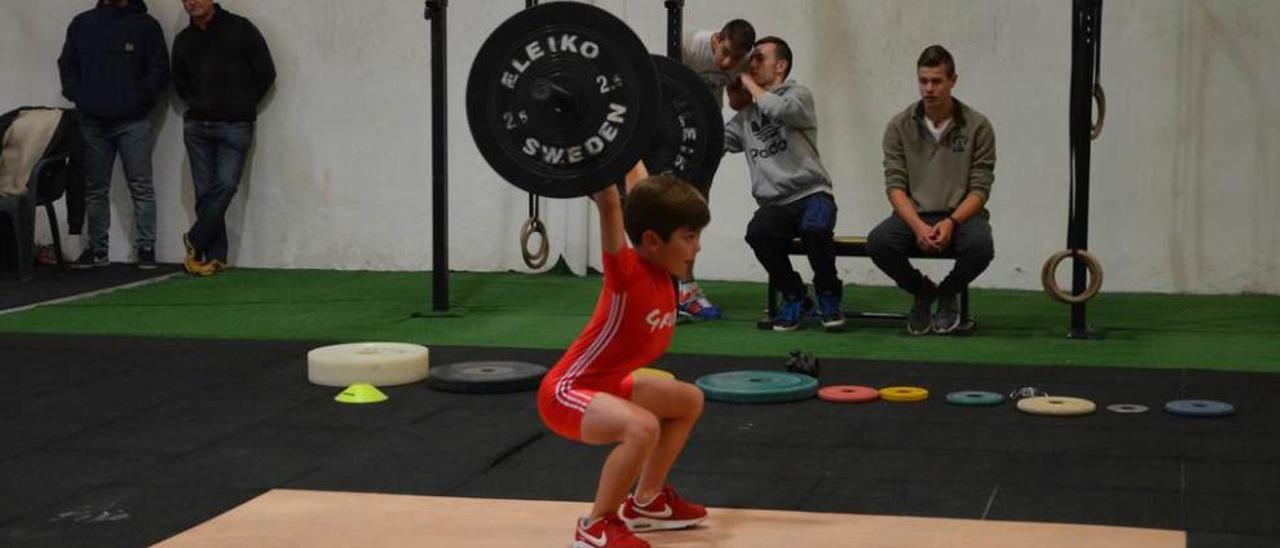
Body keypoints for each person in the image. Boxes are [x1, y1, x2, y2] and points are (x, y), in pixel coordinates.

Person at [538, 163, 710, 548]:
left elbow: (641, 186)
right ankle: (597, 524)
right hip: (566, 392)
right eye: (689, 236)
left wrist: (626, 146)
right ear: (652, 240)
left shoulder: (665, 269)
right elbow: (612, 205)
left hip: (608, 386)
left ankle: (647, 502)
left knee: (687, 400)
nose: (697, 247)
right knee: (642, 427)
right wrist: (592, 149)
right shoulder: (627, 272)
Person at [866, 45, 996, 335]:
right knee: (879, 242)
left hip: (960, 215)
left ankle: (948, 293)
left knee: (981, 246)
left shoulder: (978, 127)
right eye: (923, 81)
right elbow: (895, 185)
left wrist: (951, 222)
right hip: (914, 214)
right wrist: (917, 226)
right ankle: (923, 291)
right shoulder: (899, 126)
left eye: (937, 81)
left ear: (953, 81)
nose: (929, 88)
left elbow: (980, 188)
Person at [725, 36, 845, 332]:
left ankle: (828, 294)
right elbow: (714, 140)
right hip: (775, 204)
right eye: (750, 60)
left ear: (780, 66)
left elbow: (780, 111)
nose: (751, 65)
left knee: (815, 229)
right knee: (758, 233)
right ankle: (794, 293)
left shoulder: (799, 95)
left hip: (812, 193)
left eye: (759, 59)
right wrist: (721, 90)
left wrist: (748, 85)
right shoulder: (745, 117)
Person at [57, 0, 169, 270]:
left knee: (141, 186)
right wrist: (79, 96)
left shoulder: (146, 26)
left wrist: (140, 100)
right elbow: (67, 65)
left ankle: (145, 248)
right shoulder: (82, 24)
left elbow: (159, 69)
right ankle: (97, 249)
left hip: (133, 121)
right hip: (92, 121)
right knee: (95, 189)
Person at [172, 0, 276, 276]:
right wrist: (195, 102)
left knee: (227, 186)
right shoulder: (183, 40)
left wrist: (242, 104)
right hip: (197, 125)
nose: (191, 2)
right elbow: (178, 80)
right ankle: (215, 256)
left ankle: (194, 238)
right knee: (205, 195)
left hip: (235, 124)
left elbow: (266, 72)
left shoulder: (241, 29)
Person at [673, 18, 756, 320]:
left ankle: (685, 289)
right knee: (661, 210)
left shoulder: (741, 62)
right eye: (725, 53)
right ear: (717, 38)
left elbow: (735, 103)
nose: (728, 62)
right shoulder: (690, 46)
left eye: (736, 57)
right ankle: (664, 288)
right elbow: (657, 82)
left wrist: (743, 86)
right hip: (673, 137)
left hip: (707, 137)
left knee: (695, 211)